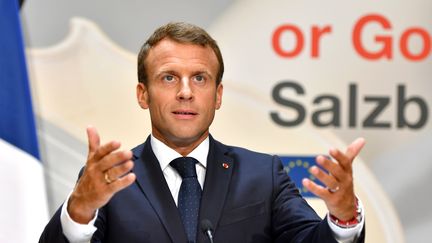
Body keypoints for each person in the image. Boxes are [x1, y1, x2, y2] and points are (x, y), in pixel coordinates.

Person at [39, 22, 365, 243]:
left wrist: (343, 216)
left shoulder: (262, 175)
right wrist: (79, 211)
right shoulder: (109, 180)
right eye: (168, 78)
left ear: (218, 95)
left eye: (200, 78)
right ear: (142, 94)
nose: (185, 92)